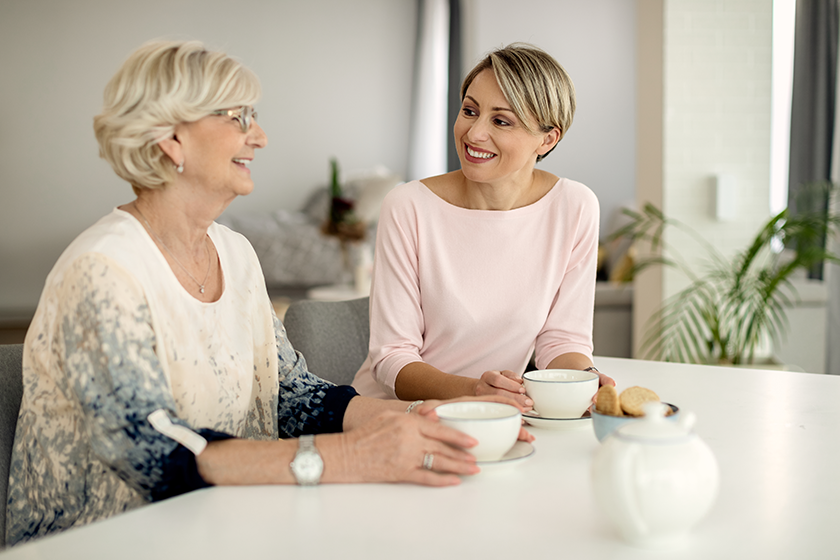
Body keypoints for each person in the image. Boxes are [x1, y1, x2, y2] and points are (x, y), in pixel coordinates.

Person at [5, 40, 530, 546]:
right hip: (110, 540)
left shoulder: (235, 253)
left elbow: (289, 394)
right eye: (238, 118)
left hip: (230, 522)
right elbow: (156, 452)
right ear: (170, 139)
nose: (259, 137)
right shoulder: (103, 270)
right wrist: (351, 457)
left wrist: (438, 418)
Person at [352, 43, 615, 407]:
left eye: (501, 120)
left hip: (494, 414)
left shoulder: (574, 207)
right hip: (396, 412)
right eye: (469, 111)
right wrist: (473, 390)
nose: (474, 134)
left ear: (548, 138)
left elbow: (562, 341)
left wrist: (577, 382)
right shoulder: (408, 206)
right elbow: (391, 359)